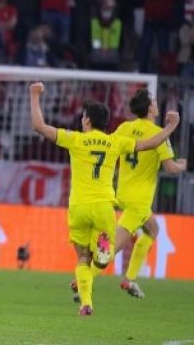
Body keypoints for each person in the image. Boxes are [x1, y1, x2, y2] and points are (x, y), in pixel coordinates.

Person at [28, 82, 179, 316]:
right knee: (103, 258)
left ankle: (86, 304)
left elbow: (39, 126)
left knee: (82, 258)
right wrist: (171, 126)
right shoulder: (114, 142)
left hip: (78, 208)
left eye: (83, 116)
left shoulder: (75, 139)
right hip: (103, 209)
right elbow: (151, 142)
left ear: (86, 121)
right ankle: (101, 262)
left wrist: (34, 95)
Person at [71, 89, 187, 300]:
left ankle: (130, 278)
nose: (156, 104)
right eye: (154, 101)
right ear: (150, 107)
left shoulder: (124, 127)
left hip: (122, 193)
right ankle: (84, 278)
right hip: (140, 200)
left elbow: (107, 146)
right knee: (111, 246)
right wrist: (182, 164)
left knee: (153, 229)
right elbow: (170, 168)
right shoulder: (159, 133)